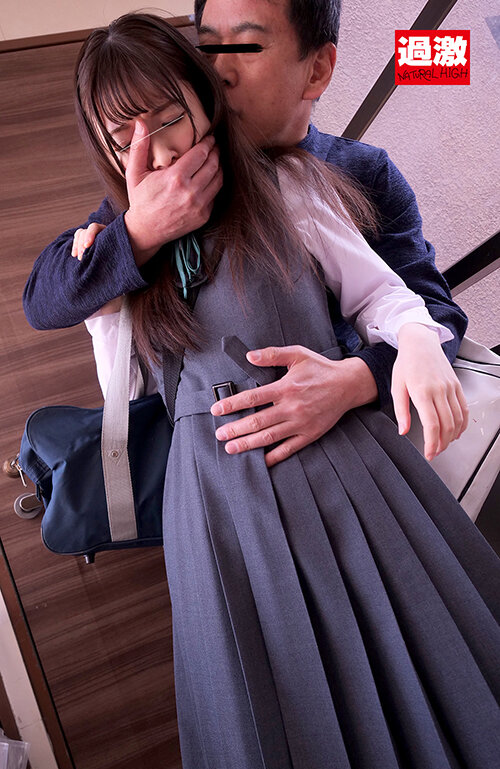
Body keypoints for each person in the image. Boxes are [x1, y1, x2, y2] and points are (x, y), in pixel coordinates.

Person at [23, 14, 500, 769]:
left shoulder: (307, 178)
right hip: (214, 498)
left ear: (316, 68)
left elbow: (401, 298)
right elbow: (64, 318)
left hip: (337, 457)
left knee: (413, 661)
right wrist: (132, 239)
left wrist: (393, 353)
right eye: (122, 135)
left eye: (167, 117)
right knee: (269, 706)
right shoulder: (120, 237)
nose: (152, 150)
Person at [24, 0, 469, 468]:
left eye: (248, 46)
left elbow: (430, 312)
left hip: (338, 449)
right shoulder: (163, 187)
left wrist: (353, 380)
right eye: (207, 48)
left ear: (317, 70)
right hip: (208, 460)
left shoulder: (359, 172)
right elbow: (44, 298)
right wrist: (140, 231)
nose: (219, 71)